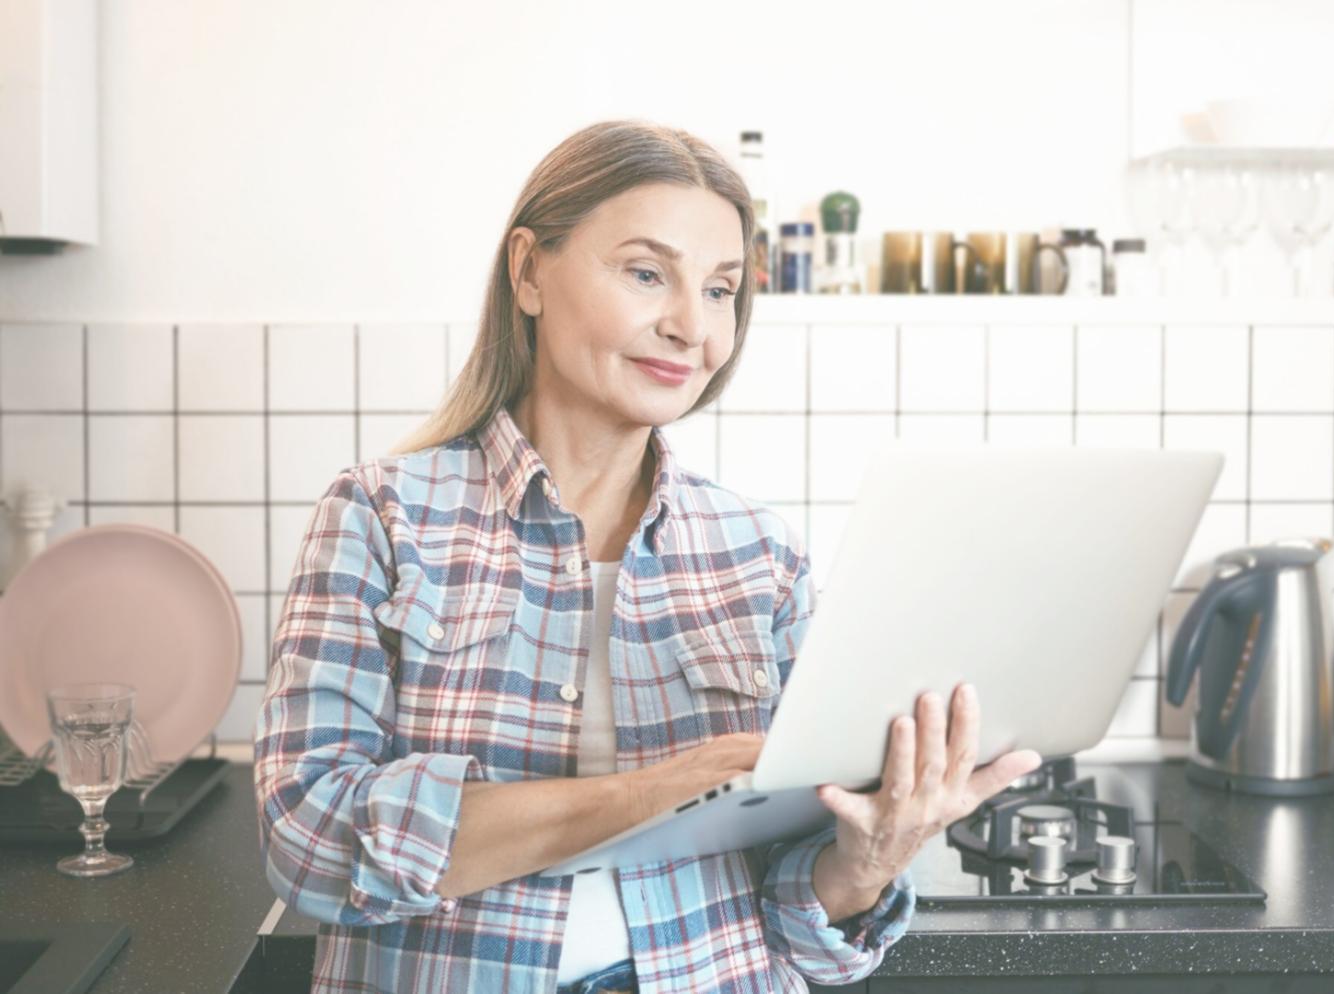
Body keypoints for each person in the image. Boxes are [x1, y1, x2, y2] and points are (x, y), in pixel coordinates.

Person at [253, 119, 1042, 994]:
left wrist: (868, 863)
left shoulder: (760, 554)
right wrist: (654, 791)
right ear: (528, 272)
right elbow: (309, 844)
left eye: (720, 291)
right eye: (645, 273)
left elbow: (801, 919)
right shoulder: (383, 515)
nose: (691, 328)